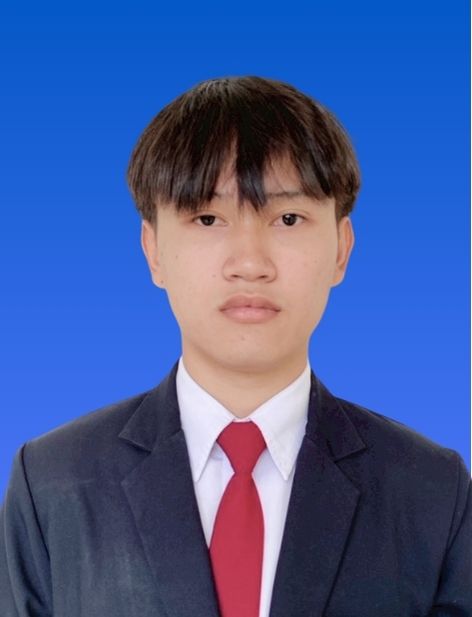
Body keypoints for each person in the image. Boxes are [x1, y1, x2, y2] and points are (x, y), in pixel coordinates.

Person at [0, 76, 470, 617]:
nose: (250, 263)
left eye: (288, 219)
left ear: (341, 249)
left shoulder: (432, 491)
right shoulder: (54, 483)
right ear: (153, 251)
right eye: (207, 218)